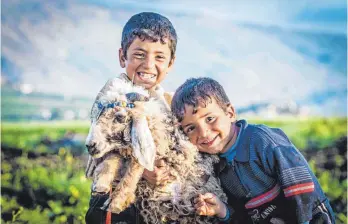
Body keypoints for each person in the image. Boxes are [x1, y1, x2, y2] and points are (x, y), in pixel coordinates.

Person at [170, 77, 335, 224]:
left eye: (210, 119)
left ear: (230, 113)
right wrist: (222, 210)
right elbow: (245, 216)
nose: (204, 133)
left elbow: (301, 186)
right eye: (191, 128)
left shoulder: (262, 141)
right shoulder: (219, 168)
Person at [85, 12, 177, 224]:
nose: (148, 64)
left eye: (159, 57)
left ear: (170, 64)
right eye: (139, 55)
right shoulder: (112, 95)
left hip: (156, 206)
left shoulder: (168, 101)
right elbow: (99, 146)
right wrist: (144, 170)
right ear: (122, 56)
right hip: (116, 204)